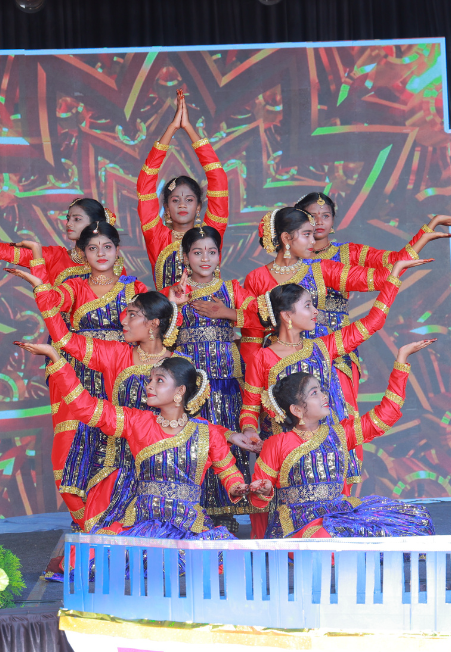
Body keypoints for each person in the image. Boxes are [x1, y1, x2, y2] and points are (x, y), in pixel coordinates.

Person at [239, 257, 431, 537]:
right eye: (308, 306)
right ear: (287, 315)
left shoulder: (323, 347)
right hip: (284, 454)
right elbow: (249, 408)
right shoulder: (263, 358)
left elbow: (373, 322)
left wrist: (395, 276)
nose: (316, 311)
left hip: (324, 443)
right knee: (281, 521)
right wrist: (250, 431)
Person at [15, 348, 259, 543]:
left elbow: (229, 474)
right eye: (150, 380)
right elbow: (85, 407)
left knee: (217, 560)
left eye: (159, 381)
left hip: (189, 525)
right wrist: (56, 358)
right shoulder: (137, 421)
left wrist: (239, 488)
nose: (149, 386)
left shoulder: (207, 432)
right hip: (144, 522)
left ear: (180, 391)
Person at [6, 221, 146, 531]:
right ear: (82, 254)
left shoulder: (134, 289)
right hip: (77, 375)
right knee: (69, 452)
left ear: (118, 250)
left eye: (107, 247)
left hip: (119, 376)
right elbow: (53, 303)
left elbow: (155, 321)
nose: (101, 253)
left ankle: (117, 523)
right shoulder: (74, 286)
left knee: (117, 449)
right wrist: (38, 269)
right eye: (93, 248)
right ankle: (85, 523)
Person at [14, 282, 184, 533]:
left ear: (153, 323)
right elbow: (65, 339)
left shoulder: (179, 365)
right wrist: (41, 289)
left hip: (160, 464)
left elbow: (190, 422)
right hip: (115, 458)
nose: (123, 321)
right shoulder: (115, 353)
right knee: (98, 522)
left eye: (132, 315)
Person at [248, 340, 436, 539]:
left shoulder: (340, 434)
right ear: (296, 409)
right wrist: (264, 490)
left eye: (321, 390)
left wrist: (401, 360)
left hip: (338, 514)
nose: (324, 396)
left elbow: (385, 415)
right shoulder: (276, 443)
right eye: (314, 393)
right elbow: (257, 499)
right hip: (299, 522)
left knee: (417, 520)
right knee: (328, 538)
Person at [163, 225, 260, 533]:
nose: (205, 258)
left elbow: (263, 319)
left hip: (226, 379)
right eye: (197, 252)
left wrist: (227, 313)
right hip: (189, 383)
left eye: (211, 252)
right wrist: (175, 306)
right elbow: (162, 335)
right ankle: (193, 510)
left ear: (220, 256)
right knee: (192, 442)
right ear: (185, 256)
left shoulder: (232, 289)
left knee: (227, 441)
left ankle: (225, 512)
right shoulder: (176, 292)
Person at [138, 90, 228, 290]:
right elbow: (145, 184)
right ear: (166, 207)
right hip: (168, 310)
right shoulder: (156, 236)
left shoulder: (212, 232)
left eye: (189, 200)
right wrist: (171, 128)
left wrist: (188, 128)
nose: (182, 205)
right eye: (175, 200)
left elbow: (219, 179)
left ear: (198, 206)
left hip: (211, 309)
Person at [296, 191, 451, 267]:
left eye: (325, 216)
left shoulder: (349, 251)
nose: (319, 222)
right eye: (312, 216)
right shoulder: (289, 258)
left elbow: (397, 260)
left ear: (332, 220)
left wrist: (432, 225)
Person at [0, 197, 125, 285]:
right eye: (68, 218)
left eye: (77, 219)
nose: (68, 224)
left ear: (95, 224)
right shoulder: (55, 257)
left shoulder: (113, 266)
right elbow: (9, 252)